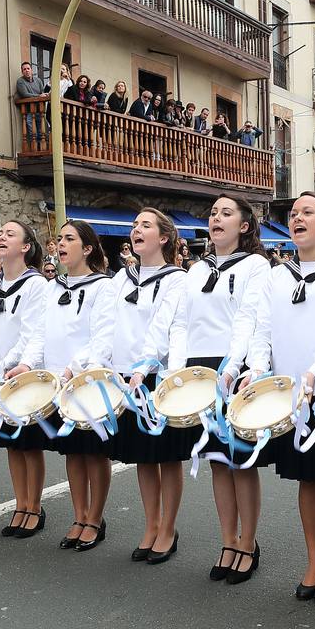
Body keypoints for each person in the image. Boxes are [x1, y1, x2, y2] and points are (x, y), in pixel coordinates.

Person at [234, 191, 315, 605]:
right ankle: (314, 558)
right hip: (289, 397)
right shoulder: (278, 275)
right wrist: (256, 371)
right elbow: (263, 331)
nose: (297, 218)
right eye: (293, 214)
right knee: (306, 479)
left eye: (307, 212)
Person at [168, 195, 271, 583]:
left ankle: (248, 542)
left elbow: (249, 319)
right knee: (216, 460)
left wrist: (230, 369)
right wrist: (177, 370)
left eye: (226, 213)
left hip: (234, 369)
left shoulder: (256, 266)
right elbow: (181, 323)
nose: (216, 218)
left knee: (240, 461)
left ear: (244, 226)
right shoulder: (195, 269)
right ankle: (227, 540)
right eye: (212, 212)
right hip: (197, 368)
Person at [111, 209, 190, 564]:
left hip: (157, 376)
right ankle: (151, 524)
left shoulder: (177, 279)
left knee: (167, 457)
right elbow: (109, 326)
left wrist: (152, 371)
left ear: (163, 238)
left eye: (145, 225)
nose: (135, 230)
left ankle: (168, 528)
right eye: (134, 225)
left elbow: (166, 328)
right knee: (143, 457)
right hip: (126, 377)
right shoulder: (120, 279)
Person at [40, 220, 117, 552]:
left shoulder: (103, 287)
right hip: (57, 380)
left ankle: (95, 518)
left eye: (69, 239)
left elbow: (103, 336)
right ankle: (79, 514)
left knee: (93, 451)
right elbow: (41, 333)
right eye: (59, 238)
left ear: (87, 248)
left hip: (87, 379)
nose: (61, 244)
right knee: (72, 450)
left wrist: (75, 368)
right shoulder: (51, 287)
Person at [0, 221, 49, 537]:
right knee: (11, 444)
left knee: (29, 444)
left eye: (10, 234)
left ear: (25, 247)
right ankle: (20, 503)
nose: (2, 237)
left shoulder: (36, 285)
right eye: (0, 233)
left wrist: (9, 364)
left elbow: (33, 332)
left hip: (23, 373)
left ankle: (34, 506)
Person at [14, 61, 45, 146]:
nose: (27, 71)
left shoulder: (38, 80)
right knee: (31, 129)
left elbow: (43, 92)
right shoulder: (20, 81)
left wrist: (41, 95)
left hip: (39, 109)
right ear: (22, 72)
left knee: (41, 130)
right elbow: (25, 94)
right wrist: (39, 96)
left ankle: (41, 147)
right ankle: (34, 147)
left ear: (31, 70)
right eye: (24, 69)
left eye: (28, 68)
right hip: (29, 110)